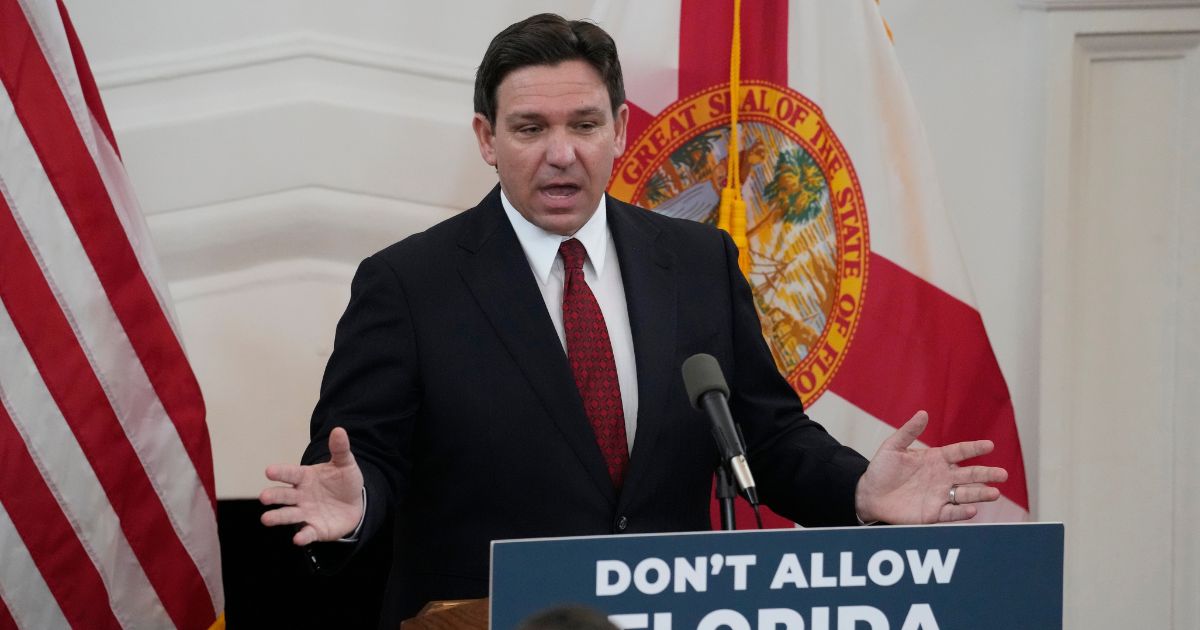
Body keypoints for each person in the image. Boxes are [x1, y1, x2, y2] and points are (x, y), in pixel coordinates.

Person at [259, 13, 1007, 627]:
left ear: (618, 127)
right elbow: (365, 458)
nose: (561, 154)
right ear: (487, 139)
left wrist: (859, 493)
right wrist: (358, 506)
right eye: (529, 129)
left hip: (671, 614)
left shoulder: (697, 260)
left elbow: (765, 436)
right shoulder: (408, 284)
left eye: (584, 124)